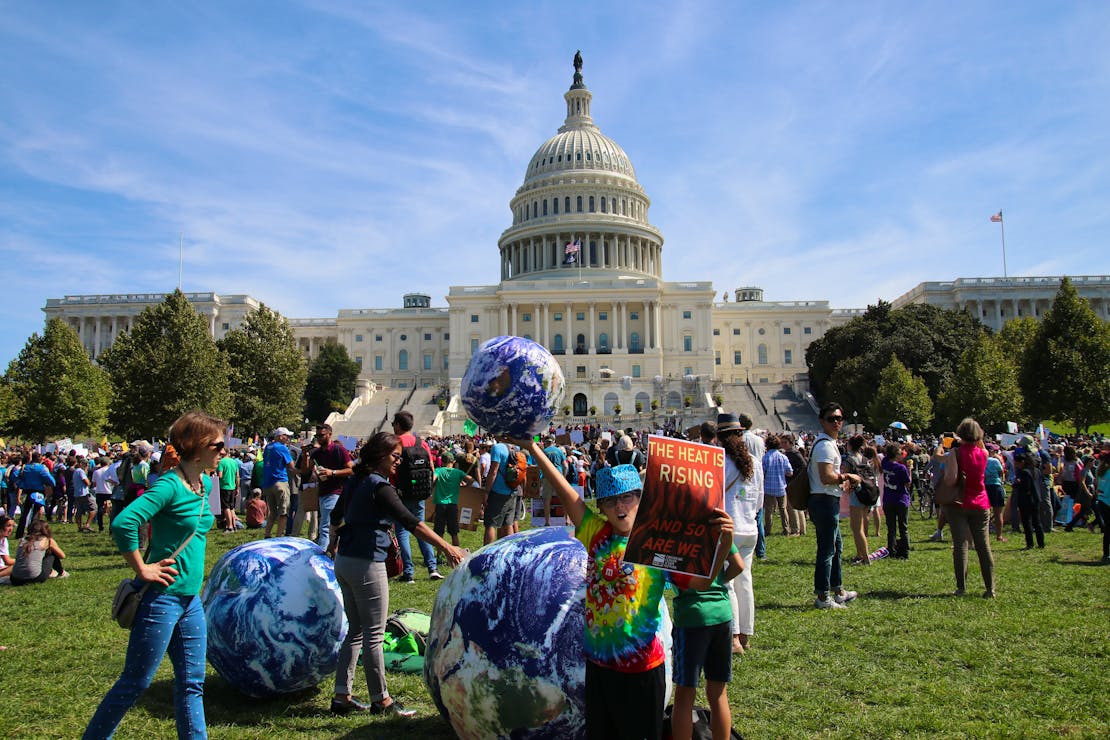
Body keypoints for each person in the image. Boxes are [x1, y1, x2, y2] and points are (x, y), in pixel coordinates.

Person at [524, 437, 733, 740]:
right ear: (602, 507)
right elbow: (565, 491)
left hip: (643, 670)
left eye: (627, 498)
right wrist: (531, 448)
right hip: (599, 666)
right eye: (610, 501)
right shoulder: (596, 533)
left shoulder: (656, 542)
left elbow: (700, 583)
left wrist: (724, 544)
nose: (619, 507)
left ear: (641, 499)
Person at [84, 411, 222, 739]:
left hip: (190, 600)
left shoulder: (203, 484)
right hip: (161, 598)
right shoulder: (169, 486)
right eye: (218, 446)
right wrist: (141, 567)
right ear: (198, 446)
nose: (223, 452)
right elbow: (123, 523)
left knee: (192, 684)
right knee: (136, 681)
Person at [325, 432, 465, 718]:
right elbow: (412, 522)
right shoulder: (380, 486)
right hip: (367, 563)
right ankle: (382, 700)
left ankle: (342, 695)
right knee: (374, 635)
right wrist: (447, 547)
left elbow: (334, 516)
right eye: (395, 457)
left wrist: (331, 545)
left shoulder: (353, 480)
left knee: (356, 631)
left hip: (345, 560)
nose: (398, 463)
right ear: (379, 456)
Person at [670, 544, 745, 740]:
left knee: (684, 696)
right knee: (719, 692)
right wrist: (719, 580)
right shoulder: (717, 526)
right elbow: (738, 565)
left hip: (691, 616)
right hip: (722, 614)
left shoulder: (673, 533)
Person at [715, 413, 761, 656]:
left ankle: (733, 638)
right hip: (750, 528)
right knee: (745, 582)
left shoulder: (720, 462)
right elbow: (759, 500)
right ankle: (746, 634)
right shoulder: (755, 461)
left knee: (728, 583)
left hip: (729, 528)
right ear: (740, 434)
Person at [807, 403, 860, 609]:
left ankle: (837, 590)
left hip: (827, 499)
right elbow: (826, 476)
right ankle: (822, 596)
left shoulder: (827, 443)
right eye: (831, 418)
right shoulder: (825, 446)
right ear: (822, 421)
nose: (837, 422)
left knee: (836, 547)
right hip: (824, 501)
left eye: (839, 418)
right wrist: (847, 476)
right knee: (827, 550)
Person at [942, 418, 995, 598]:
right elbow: (980, 445)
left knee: (961, 545)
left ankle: (961, 587)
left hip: (958, 503)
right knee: (983, 546)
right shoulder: (984, 454)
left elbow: (950, 480)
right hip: (980, 502)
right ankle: (990, 588)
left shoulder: (955, 454)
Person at [390, 412, 441, 581]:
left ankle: (409, 572)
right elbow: (432, 470)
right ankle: (432, 567)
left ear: (398, 425)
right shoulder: (422, 443)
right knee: (421, 528)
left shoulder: (395, 443)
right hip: (420, 492)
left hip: (401, 492)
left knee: (402, 532)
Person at [300, 423, 354, 550]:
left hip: (336, 491)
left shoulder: (339, 450)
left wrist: (332, 472)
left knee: (325, 525)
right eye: (317, 435)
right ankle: (334, 550)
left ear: (330, 434)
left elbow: (351, 469)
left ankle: (322, 553)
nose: (319, 438)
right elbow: (305, 470)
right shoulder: (317, 453)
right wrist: (304, 455)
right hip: (323, 491)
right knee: (329, 525)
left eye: (322, 435)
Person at [843, 435, 875, 565]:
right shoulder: (865, 459)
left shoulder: (849, 460)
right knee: (859, 526)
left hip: (856, 494)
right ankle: (859, 554)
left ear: (850, 445)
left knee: (857, 528)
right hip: (867, 493)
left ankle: (866, 558)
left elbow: (844, 478)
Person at [431, 453, 473, 547]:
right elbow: (471, 480)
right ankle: (457, 555)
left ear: (442, 462)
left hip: (440, 504)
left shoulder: (439, 470)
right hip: (452, 505)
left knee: (439, 532)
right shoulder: (458, 472)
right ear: (453, 462)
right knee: (454, 532)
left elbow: (432, 479)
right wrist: (465, 486)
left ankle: (439, 556)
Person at [262, 427, 297, 538]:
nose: (288, 438)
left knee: (272, 512)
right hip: (280, 481)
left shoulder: (268, 447)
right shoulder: (282, 448)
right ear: (280, 436)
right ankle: (279, 536)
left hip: (268, 483)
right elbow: (291, 466)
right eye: (287, 436)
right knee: (284, 512)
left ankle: (267, 534)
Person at [10, 519, 67, 585]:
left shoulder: (23, 540)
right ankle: (62, 573)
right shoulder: (47, 540)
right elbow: (62, 556)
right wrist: (51, 546)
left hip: (15, 579)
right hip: (35, 578)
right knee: (52, 555)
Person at [881, 443, 911, 559]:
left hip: (888, 500)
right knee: (903, 527)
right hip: (901, 500)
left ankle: (891, 550)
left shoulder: (885, 463)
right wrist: (909, 470)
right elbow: (908, 484)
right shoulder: (901, 468)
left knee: (891, 528)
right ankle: (905, 552)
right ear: (895, 455)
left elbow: (885, 456)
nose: (901, 455)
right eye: (899, 453)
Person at [1012, 450, 1044, 550]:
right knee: (1037, 522)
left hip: (1026, 499)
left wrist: (1016, 483)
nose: (1016, 465)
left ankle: (1030, 543)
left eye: (1017, 463)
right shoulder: (1037, 470)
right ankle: (1041, 542)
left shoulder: (1024, 473)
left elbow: (1026, 487)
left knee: (1027, 522)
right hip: (1036, 498)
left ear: (1022, 462)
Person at [761, 435, 792, 536]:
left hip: (768, 487)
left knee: (769, 510)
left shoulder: (765, 458)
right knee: (783, 509)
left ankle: (768, 530)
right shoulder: (783, 457)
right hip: (781, 486)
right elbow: (790, 472)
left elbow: (762, 472)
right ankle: (786, 529)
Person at [984, 447, 1008, 542]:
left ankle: (985, 535)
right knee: (998, 514)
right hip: (995, 486)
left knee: (985, 514)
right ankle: (999, 536)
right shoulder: (994, 461)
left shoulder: (979, 460)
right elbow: (1001, 471)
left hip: (984, 486)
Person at [215, 446, 240, 533]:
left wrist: (216, 475)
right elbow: (237, 476)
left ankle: (229, 527)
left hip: (224, 487)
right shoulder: (234, 462)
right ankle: (234, 525)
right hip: (233, 486)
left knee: (226, 507)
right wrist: (237, 487)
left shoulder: (221, 462)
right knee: (232, 507)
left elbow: (220, 475)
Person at [1093, 452, 1110, 562]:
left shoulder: (1099, 471)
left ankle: (1106, 554)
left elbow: (1097, 487)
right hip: (1108, 501)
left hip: (1102, 501)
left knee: (1108, 529)